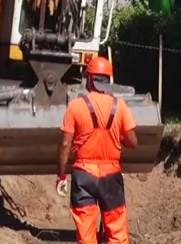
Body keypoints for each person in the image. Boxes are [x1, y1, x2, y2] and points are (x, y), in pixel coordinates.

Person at [57, 57, 139, 244]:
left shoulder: (75, 106)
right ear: (108, 80)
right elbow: (133, 142)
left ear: (89, 79)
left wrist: (61, 176)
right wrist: (117, 138)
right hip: (111, 176)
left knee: (86, 233)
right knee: (116, 230)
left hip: (83, 174)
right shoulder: (120, 106)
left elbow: (64, 145)